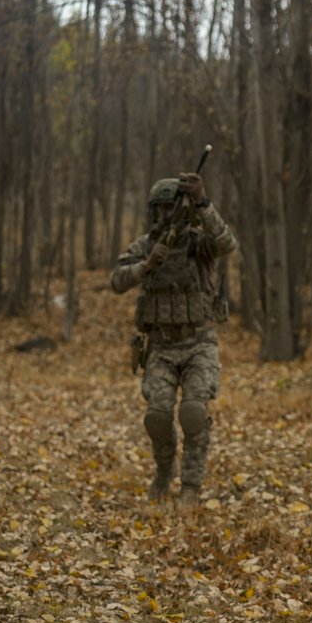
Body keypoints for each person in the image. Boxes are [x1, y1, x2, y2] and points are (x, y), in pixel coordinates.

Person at [111, 173, 237, 504]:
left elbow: (227, 243)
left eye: (173, 208)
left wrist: (203, 202)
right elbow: (117, 280)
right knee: (158, 415)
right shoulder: (145, 246)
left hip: (198, 344)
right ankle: (164, 472)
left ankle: (191, 486)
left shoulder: (198, 243)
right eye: (161, 210)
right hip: (162, 347)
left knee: (194, 412)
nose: (167, 216)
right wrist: (147, 265)